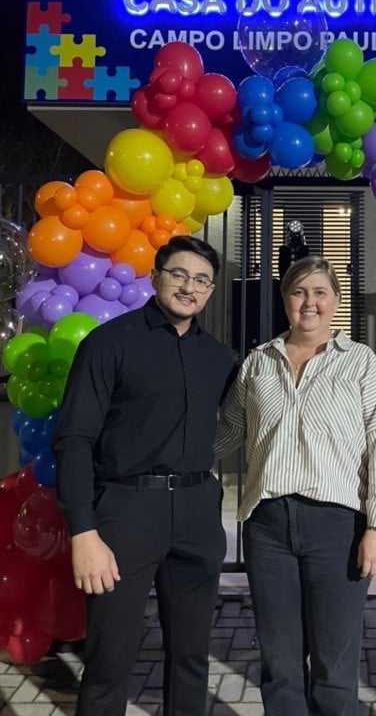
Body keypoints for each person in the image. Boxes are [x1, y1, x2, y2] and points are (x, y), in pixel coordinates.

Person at [53, 235, 236, 716]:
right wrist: (84, 531)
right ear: (154, 277)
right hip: (125, 514)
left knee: (192, 658)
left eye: (201, 280)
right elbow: (74, 440)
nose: (189, 287)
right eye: (179, 274)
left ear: (211, 290)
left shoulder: (218, 360)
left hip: (196, 513)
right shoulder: (108, 344)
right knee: (110, 659)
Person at [215, 255, 376, 716]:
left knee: (333, 659)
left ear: (336, 300)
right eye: (299, 292)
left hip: (336, 527)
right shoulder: (258, 363)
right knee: (279, 659)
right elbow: (225, 433)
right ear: (285, 300)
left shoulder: (361, 364)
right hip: (267, 526)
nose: (309, 302)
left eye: (320, 292)